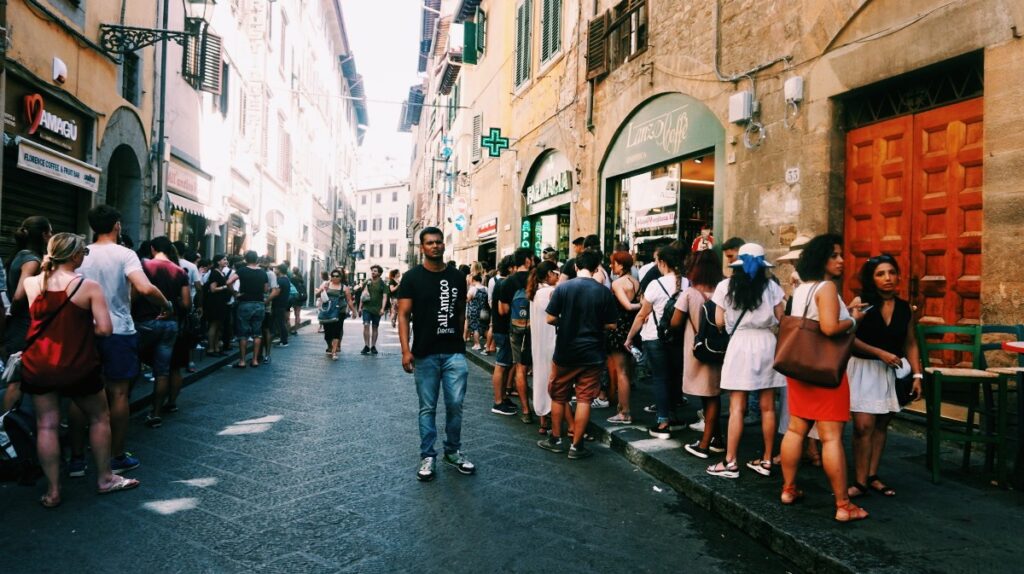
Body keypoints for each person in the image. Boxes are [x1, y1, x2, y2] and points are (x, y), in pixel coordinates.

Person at [21, 233, 139, 506]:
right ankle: (105, 479)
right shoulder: (88, 286)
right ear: (74, 256)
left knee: (46, 425)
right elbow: (106, 329)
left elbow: (38, 319)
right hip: (78, 364)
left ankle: (52, 490)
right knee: (99, 418)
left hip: (39, 365)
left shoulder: (31, 283)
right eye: (83, 254)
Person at [70, 206, 171, 475]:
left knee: (80, 394)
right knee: (119, 394)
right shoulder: (125, 254)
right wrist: (166, 304)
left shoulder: (82, 254)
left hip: (84, 331)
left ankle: (77, 459)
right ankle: (116, 455)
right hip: (118, 331)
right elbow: (144, 287)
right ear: (117, 225)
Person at [779, 234, 869, 522]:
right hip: (825, 370)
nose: (841, 260)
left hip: (801, 367)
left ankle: (788, 489)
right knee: (831, 438)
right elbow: (830, 329)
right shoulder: (827, 287)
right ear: (821, 259)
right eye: (834, 255)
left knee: (795, 430)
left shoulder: (803, 289)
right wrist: (855, 319)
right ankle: (844, 505)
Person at [398, 227, 475, 481]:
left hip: (454, 352)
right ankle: (428, 455)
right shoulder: (411, 278)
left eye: (439, 242)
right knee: (427, 408)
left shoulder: (456, 276)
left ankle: (452, 451)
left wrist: (461, 339)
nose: (435, 246)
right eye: (430, 242)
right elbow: (403, 315)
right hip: (424, 353)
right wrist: (406, 350)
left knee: (455, 405)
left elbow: (461, 309)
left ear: (443, 246)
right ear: (422, 247)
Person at [705, 243, 786, 479]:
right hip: (767, 344)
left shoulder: (725, 286)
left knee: (737, 407)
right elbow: (781, 319)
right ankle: (767, 460)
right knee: (768, 406)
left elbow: (719, 321)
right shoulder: (772, 287)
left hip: (740, 344)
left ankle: (730, 462)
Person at [846, 254, 922, 499]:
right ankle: (859, 481)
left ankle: (872, 475)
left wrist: (918, 375)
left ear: (898, 275)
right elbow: (849, 337)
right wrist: (879, 352)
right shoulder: (862, 303)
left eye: (891, 272)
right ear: (872, 278)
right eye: (880, 274)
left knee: (881, 424)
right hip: (863, 368)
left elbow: (910, 342)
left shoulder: (904, 308)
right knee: (862, 426)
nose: (887, 278)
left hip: (889, 372)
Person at [537, 250, 618, 459]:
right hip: (593, 352)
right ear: (597, 268)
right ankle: (576, 446)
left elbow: (549, 318)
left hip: (565, 350)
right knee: (584, 399)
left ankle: (555, 439)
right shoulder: (603, 292)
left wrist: (566, 323)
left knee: (558, 395)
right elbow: (611, 324)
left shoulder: (563, 288)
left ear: (575, 267)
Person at [626, 245, 689, 439]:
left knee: (660, 379)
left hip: (655, 337)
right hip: (677, 337)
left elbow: (642, 315)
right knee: (673, 377)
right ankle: (672, 416)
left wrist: (629, 338)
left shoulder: (656, 284)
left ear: (662, 263)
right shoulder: (687, 282)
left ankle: (663, 422)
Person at [671, 249, 726, 458]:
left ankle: (704, 445)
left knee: (710, 397)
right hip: (720, 349)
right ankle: (717, 439)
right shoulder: (723, 292)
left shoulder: (690, 293)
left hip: (698, 349)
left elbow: (675, 322)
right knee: (711, 393)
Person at [133, 236, 190, 428]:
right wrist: (172, 304)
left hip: (145, 322)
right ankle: (155, 413)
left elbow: (135, 292)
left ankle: (119, 406)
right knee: (162, 372)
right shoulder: (180, 271)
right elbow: (187, 303)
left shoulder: (144, 265)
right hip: (170, 325)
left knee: (132, 365)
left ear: (152, 248)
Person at [3, 216, 52, 411]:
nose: (52, 236)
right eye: (50, 232)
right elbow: (19, 295)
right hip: (23, 323)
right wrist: (12, 314)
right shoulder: (32, 260)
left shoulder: (20, 255)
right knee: (17, 378)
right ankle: (5, 427)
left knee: (20, 376)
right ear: (42, 235)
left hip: (20, 323)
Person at [498, 247, 535, 423]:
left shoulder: (508, 282)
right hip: (536, 329)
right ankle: (545, 414)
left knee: (520, 368)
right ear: (528, 260)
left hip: (516, 329)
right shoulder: (536, 278)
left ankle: (526, 410)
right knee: (540, 368)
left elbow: (503, 310)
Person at [605, 251, 640, 424]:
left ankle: (625, 412)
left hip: (619, 329)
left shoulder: (618, 283)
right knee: (628, 370)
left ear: (621, 265)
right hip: (633, 329)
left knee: (622, 372)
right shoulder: (636, 282)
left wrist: (639, 305)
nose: (612, 266)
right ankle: (622, 407)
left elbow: (626, 306)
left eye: (614, 263)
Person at [528, 260, 560, 435]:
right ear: (549, 274)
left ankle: (543, 421)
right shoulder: (550, 292)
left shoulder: (536, 292)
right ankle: (556, 424)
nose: (558, 275)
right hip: (551, 340)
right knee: (554, 381)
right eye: (556, 272)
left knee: (541, 377)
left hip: (539, 341)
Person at [227, 251, 269, 368]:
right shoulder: (262, 272)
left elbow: (229, 282)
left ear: (245, 259)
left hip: (245, 303)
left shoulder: (241, 271)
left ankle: (242, 361)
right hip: (259, 304)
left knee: (243, 334)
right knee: (257, 334)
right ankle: (255, 360)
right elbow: (266, 289)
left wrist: (235, 293)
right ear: (256, 260)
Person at [489, 255, 517, 416]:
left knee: (505, 364)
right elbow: (502, 310)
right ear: (511, 268)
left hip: (501, 328)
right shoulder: (504, 284)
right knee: (501, 364)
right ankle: (498, 401)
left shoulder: (501, 283)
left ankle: (503, 398)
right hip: (503, 329)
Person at [315, 268, 354, 360]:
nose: (335, 277)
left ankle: (334, 351)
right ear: (331, 277)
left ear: (341, 277)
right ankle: (330, 346)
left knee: (337, 330)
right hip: (327, 311)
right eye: (333, 276)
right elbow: (317, 295)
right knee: (328, 333)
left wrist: (354, 311)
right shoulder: (326, 284)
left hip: (340, 311)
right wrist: (321, 290)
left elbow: (349, 300)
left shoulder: (344, 287)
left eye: (337, 276)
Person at [204, 255, 231, 356]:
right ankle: (211, 348)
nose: (226, 261)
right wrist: (225, 287)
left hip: (220, 302)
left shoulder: (221, 272)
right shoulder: (215, 273)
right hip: (215, 302)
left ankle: (216, 348)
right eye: (224, 259)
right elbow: (213, 289)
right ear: (218, 262)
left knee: (218, 325)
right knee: (214, 324)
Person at [359, 265, 387, 355]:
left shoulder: (383, 284)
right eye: (372, 271)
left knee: (375, 327)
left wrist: (382, 308)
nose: (373, 272)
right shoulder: (367, 282)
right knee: (366, 325)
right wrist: (360, 307)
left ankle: (373, 346)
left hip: (377, 309)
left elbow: (385, 297)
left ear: (379, 273)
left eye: (375, 271)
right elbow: (363, 295)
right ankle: (366, 345)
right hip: (367, 308)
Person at [466, 272, 489, 351]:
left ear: (473, 280)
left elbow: (467, 299)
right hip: (484, 311)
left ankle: (477, 344)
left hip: (474, 311)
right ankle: (488, 343)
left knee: (475, 328)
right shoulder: (486, 288)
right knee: (485, 327)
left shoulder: (473, 289)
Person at [272, 264, 293, 348]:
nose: (274, 270)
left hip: (279, 304)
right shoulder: (286, 279)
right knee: (281, 322)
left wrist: (268, 299)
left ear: (279, 270)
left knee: (280, 323)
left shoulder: (280, 280)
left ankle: (284, 341)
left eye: (276, 269)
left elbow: (276, 292)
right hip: (283, 303)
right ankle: (282, 339)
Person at [290, 266, 306, 335]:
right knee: (297, 314)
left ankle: (294, 328)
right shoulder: (301, 279)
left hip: (294, 297)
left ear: (293, 271)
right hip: (300, 297)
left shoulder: (292, 279)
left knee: (294, 313)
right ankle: (296, 329)